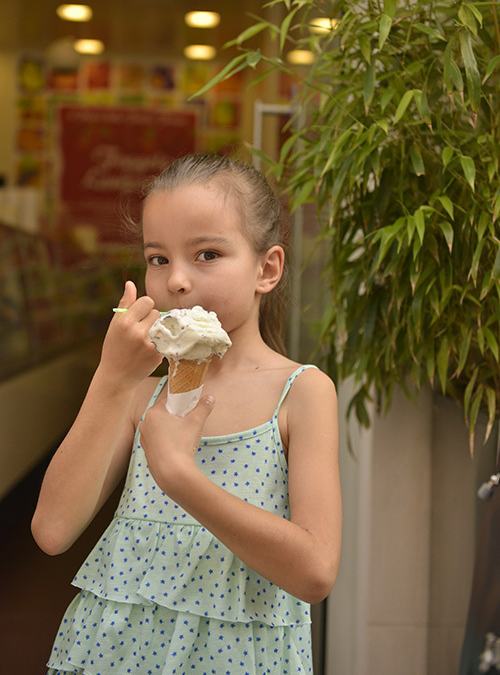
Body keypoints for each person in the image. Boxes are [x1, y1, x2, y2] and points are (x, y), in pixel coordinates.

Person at [32, 153, 342, 675]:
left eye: (207, 254)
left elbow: (315, 572)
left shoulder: (302, 392)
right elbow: (52, 530)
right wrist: (111, 378)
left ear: (267, 269)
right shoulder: (139, 396)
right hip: (112, 654)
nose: (175, 280)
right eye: (158, 259)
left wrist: (179, 477)